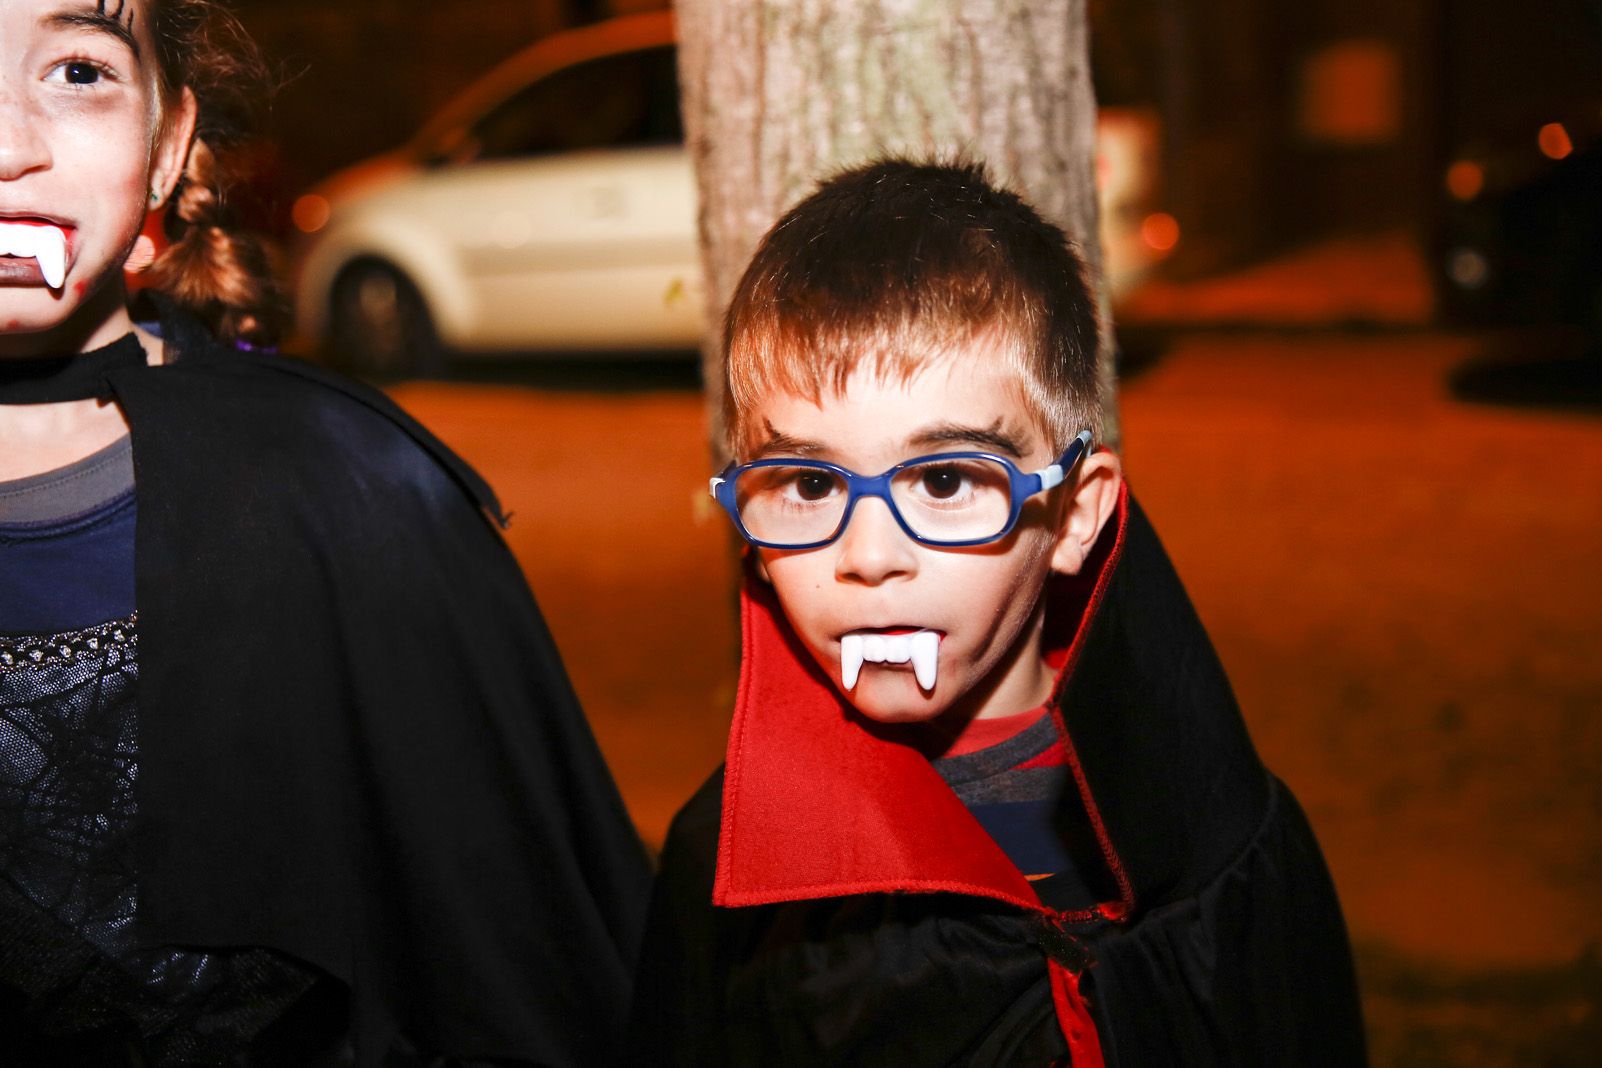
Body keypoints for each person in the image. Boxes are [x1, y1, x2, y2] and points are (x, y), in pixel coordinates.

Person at [0, 2, 648, 1064]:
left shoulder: (354, 488)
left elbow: (527, 971)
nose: (8, 145)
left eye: (77, 72)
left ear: (167, 144)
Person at [627, 159, 1366, 1066]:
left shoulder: (1224, 840)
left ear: (1074, 515)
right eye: (811, 485)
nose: (869, 556)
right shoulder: (727, 874)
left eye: (944, 479)